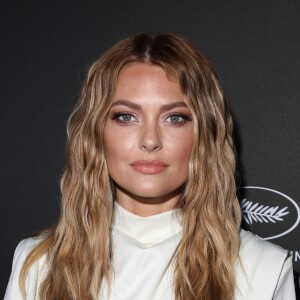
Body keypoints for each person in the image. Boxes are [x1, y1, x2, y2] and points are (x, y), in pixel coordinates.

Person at [5, 33, 295, 300]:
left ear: (203, 137)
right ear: (95, 132)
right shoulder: (38, 264)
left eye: (175, 118)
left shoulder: (262, 269)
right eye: (126, 117)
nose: (150, 140)